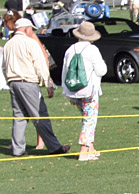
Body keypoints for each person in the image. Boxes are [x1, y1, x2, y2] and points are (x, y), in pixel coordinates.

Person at [3, 18, 70, 157]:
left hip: (13, 82)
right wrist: (47, 84)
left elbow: (4, 66)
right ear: (27, 29)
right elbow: (40, 65)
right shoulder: (30, 43)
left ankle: (18, 150)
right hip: (28, 82)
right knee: (40, 115)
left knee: (19, 116)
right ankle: (54, 147)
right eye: (31, 29)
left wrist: (9, 81)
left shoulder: (8, 44)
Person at [61, 21, 106, 161]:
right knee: (89, 119)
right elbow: (101, 70)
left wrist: (66, 91)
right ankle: (84, 150)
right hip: (89, 90)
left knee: (86, 118)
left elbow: (65, 71)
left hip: (73, 90)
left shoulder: (70, 49)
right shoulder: (92, 50)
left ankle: (91, 148)